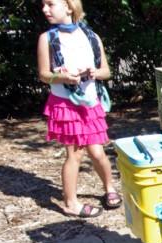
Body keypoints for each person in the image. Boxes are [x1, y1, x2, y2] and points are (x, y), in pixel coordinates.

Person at [37, 0, 119, 218]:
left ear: (69, 7)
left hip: (90, 103)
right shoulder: (47, 39)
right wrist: (62, 77)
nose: (45, 9)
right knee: (75, 154)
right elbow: (44, 74)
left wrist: (94, 72)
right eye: (43, 4)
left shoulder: (91, 37)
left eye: (50, 4)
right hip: (66, 105)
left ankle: (110, 188)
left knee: (97, 151)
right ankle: (71, 203)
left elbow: (106, 71)